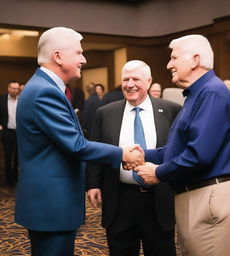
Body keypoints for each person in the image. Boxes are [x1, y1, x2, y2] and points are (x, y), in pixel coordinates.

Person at [15, 27, 143, 256]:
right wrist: (122, 153)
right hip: (51, 205)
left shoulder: (45, 87)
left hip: (51, 203)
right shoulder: (45, 91)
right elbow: (76, 144)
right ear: (58, 56)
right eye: (79, 53)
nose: (83, 59)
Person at [135, 35, 230, 256]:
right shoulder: (196, 95)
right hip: (197, 196)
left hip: (211, 197)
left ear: (195, 59)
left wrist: (158, 172)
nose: (169, 65)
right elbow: (177, 149)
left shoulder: (212, 93)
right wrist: (142, 154)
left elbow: (198, 154)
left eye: (174, 57)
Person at [87, 60, 181, 256]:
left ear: (149, 81)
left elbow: (177, 151)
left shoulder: (171, 110)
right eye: (125, 79)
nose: (130, 84)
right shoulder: (105, 113)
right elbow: (95, 150)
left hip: (159, 199)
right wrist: (93, 184)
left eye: (136, 78)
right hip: (119, 199)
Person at [0, 80, 20, 187]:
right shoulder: (1, 99)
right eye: (13, 88)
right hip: (7, 133)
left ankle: (15, 177)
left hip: (19, 133)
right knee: (8, 157)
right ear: (8, 88)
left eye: (17, 88)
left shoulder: (22, 100)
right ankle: (8, 179)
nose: (15, 90)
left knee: (17, 157)